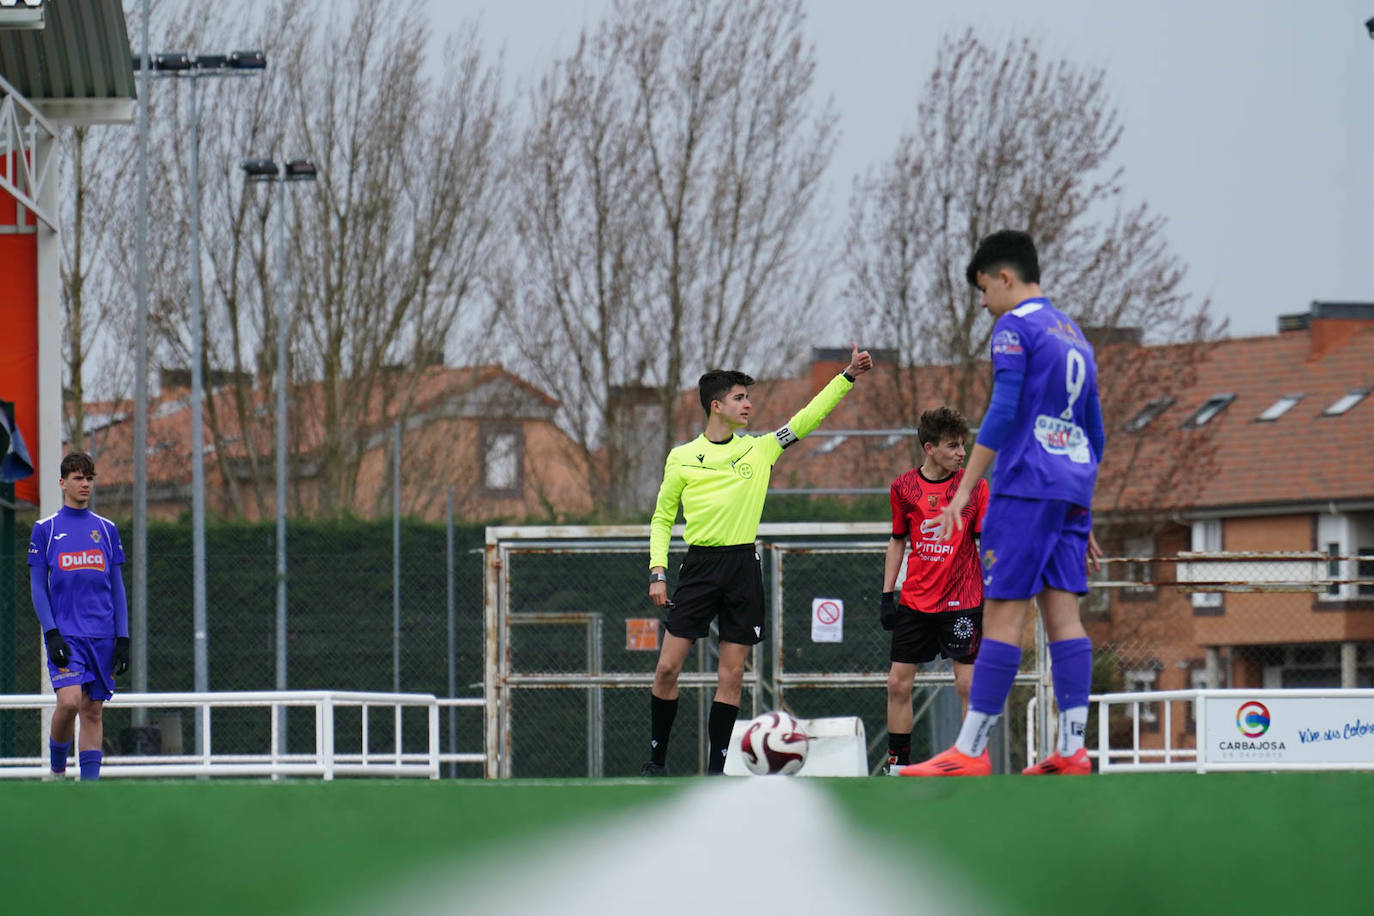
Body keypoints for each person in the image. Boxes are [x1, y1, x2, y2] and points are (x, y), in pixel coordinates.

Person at [902, 230, 1103, 777]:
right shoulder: (1073, 333)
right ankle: (1073, 747)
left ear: (1005, 278)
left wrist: (963, 491)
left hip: (1025, 486)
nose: (984, 301)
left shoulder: (1014, 326)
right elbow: (1095, 428)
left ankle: (969, 751)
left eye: (983, 288)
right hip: (1070, 490)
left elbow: (1004, 408)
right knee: (1064, 617)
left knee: (1002, 617)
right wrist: (1083, 509)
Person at [642, 342, 874, 775]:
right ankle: (656, 761)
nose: (748, 404)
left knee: (731, 678)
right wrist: (658, 571)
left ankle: (715, 772)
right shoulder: (682, 457)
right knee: (667, 670)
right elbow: (661, 517)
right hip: (699, 568)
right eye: (739, 398)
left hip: (742, 570)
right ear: (716, 406)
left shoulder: (760, 448)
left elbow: (807, 419)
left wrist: (847, 377)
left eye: (747, 397)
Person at [880, 406, 989, 773]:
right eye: (953, 446)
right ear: (929, 448)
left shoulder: (974, 487)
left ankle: (970, 760)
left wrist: (995, 588)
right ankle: (898, 768)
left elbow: (985, 542)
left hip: (963, 602)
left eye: (963, 446)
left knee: (968, 685)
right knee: (897, 683)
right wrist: (886, 595)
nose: (962, 453)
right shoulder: (903, 488)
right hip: (915, 602)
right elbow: (897, 541)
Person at [28, 452, 130, 781]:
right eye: (77, 478)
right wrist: (51, 633)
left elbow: (117, 588)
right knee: (70, 702)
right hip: (66, 634)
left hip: (101, 634)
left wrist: (123, 637)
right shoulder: (45, 529)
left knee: (92, 710)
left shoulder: (107, 529)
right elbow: (38, 588)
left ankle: (89, 793)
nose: (84, 484)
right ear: (63, 483)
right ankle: (57, 773)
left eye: (88, 478)